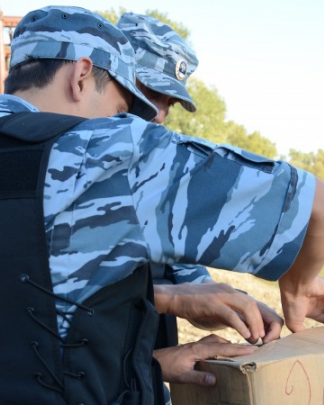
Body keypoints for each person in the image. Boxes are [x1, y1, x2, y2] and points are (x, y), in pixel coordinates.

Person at [0, 6, 324, 405]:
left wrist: (154, 364)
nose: (141, 124)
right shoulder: (101, 157)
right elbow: (316, 203)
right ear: (82, 76)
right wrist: (299, 286)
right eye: (125, 107)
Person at [116, 11, 285, 386]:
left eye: (169, 103)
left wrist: (230, 304)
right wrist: (174, 304)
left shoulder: (156, 182)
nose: (159, 114)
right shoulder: (58, 172)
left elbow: (190, 282)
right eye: (149, 92)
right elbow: (55, 298)